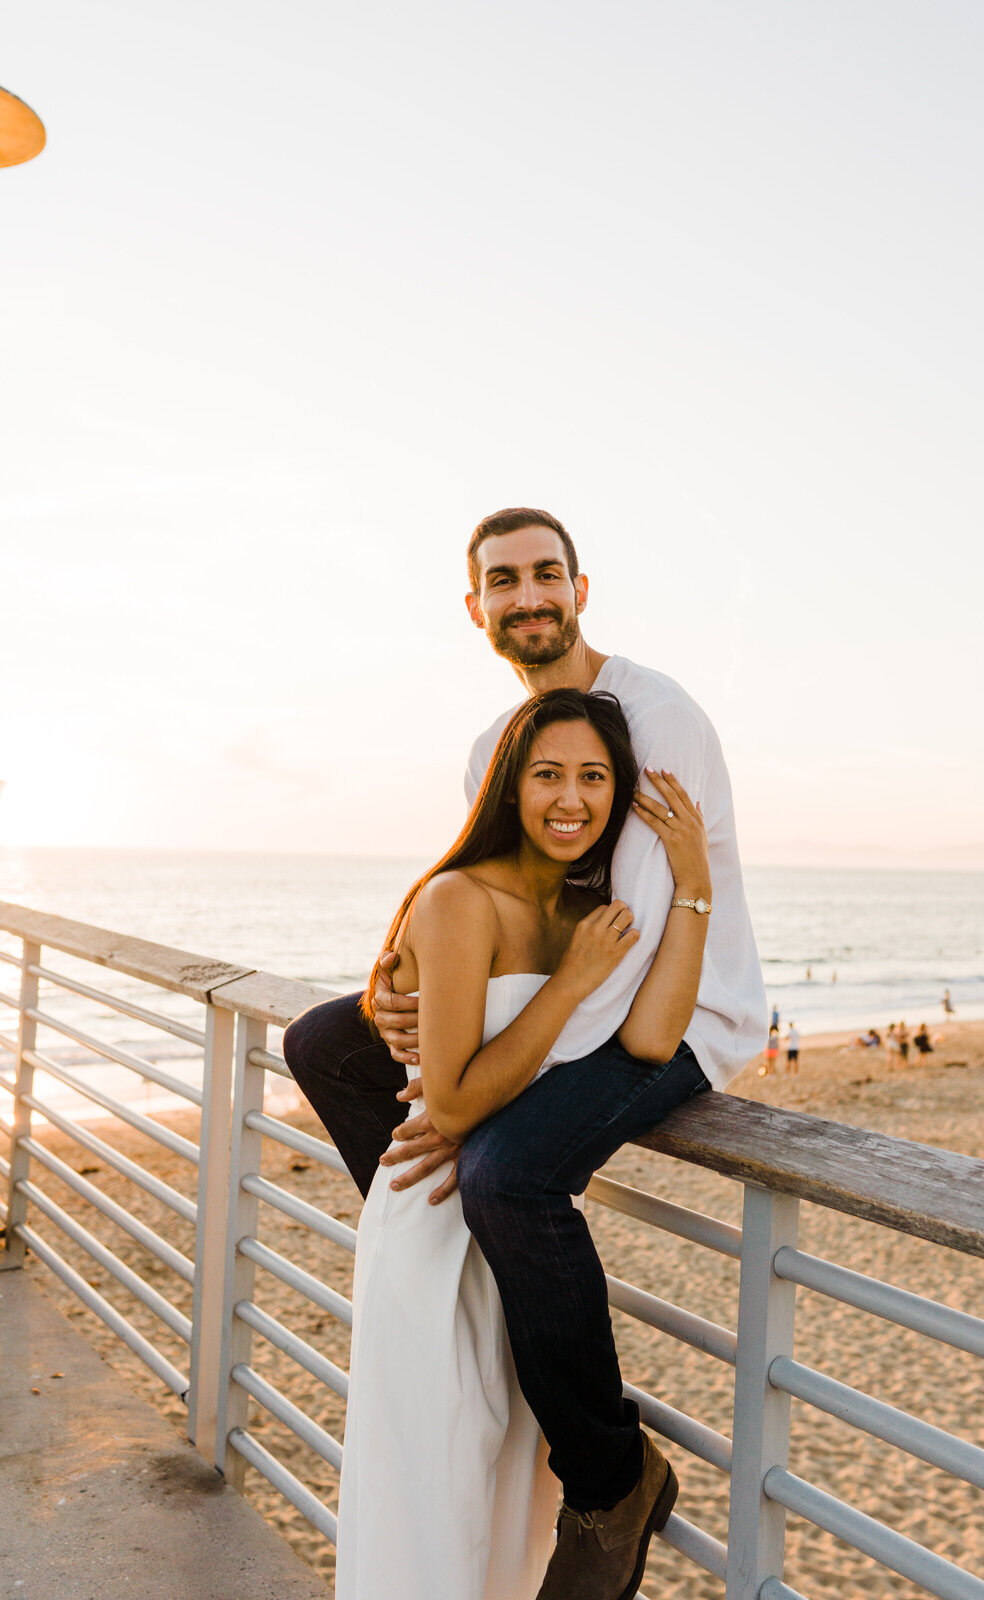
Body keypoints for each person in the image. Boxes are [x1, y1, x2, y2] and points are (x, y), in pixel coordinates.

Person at [282, 508, 766, 1600]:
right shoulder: (489, 747)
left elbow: (630, 970)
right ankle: (472, 1267)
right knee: (324, 1042)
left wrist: (472, 1094)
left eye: (545, 574)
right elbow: (500, 889)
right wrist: (409, 986)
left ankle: (608, 1479)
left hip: (676, 1007)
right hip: (573, 992)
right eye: (504, 581)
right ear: (477, 608)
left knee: (505, 1170)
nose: (527, 596)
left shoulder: (658, 721)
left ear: (580, 589)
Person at [334, 687, 711, 1600]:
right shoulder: (460, 897)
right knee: (431, 1492)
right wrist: (573, 978)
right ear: (510, 784)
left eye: (593, 777)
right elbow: (456, 1104)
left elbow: (655, 1041)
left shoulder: (596, 902)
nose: (569, 800)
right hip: (432, 1229)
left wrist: (696, 879)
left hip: (508, 1244)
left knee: (507, 1497)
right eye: (547, 775)